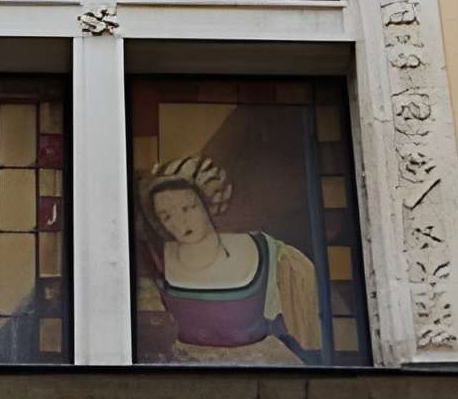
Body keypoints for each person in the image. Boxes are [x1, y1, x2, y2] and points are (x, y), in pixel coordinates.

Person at [138, 153, 322, 363]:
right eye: (167, 216)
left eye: (187, 208)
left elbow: (308, 329)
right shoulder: (158, 261)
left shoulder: (267, 252)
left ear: (207, 203)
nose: (180, 222)